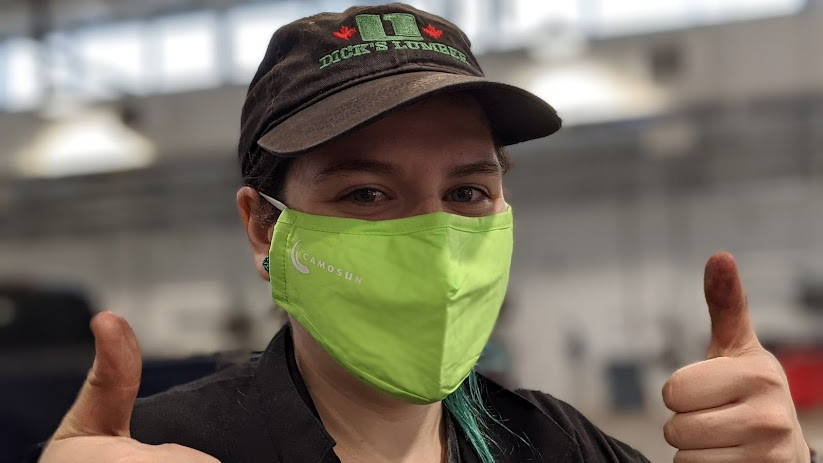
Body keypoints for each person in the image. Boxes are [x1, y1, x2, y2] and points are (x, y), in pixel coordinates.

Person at [34, 4, 813, 463]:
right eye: (366, 192)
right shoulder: (170, 448)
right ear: (264, 227)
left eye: (468, 190)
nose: (433, 239)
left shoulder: (549, 442)